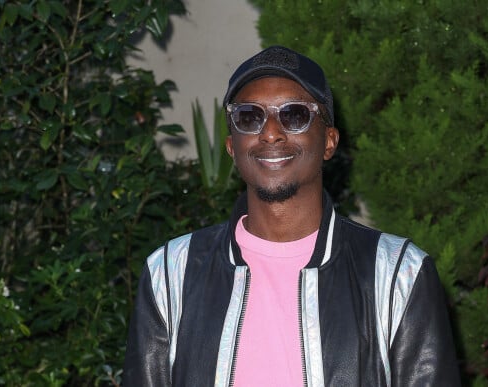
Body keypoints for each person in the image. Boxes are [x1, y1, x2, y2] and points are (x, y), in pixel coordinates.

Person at [123, 45, 461, 386]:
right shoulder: (171, 273)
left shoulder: (398, 275)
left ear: (329, 142)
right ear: (232, 147)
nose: (270, 132)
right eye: (250, 117)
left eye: (295, 114)